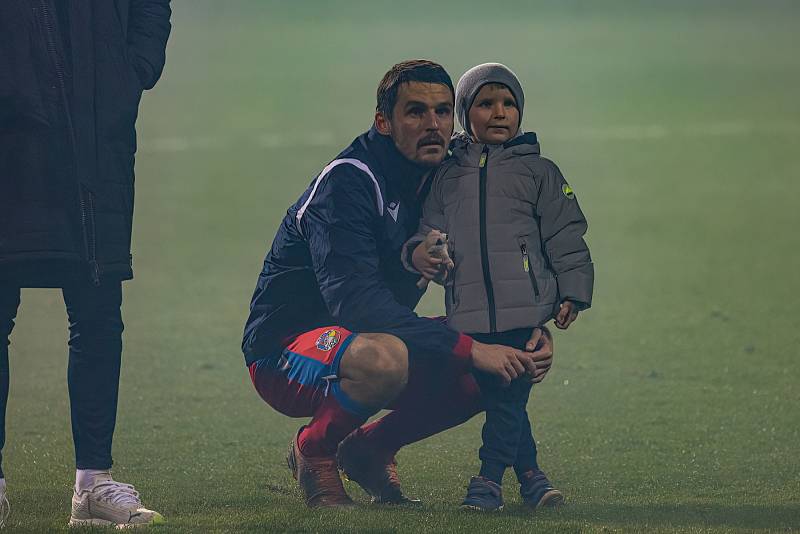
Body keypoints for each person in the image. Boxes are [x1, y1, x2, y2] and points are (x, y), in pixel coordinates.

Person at [242, 59, 556, 509]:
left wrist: (528, 323)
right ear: (383, 121)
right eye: (415, 112)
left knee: (506, 354)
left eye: (443, 112)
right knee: (386, 358)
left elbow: (504, 255)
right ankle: (314, 450)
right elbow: (357, 305)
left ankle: (369, 448)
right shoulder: (347, 182)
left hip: (379, 337)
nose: (433, 126)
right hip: (285, 351)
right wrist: (471, 347)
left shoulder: (448, 175)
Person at [0, 0, 171, 528]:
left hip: (96, 128)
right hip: (12, 136)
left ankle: (93, 483)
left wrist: (131, 68)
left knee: (98, 316)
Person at [405, 63, 594, 511]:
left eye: (508, 103)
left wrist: (573, 292)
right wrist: (427, 249)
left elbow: (566, 235)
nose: (499, 112)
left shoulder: (540, 172)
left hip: (523, 310)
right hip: (468, 310)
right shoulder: (446, 176)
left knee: (506, 400)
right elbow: (427, 229)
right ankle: (532, 478)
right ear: (466, 112)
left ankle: (487, 481)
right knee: (503, 400)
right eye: (486, 103)